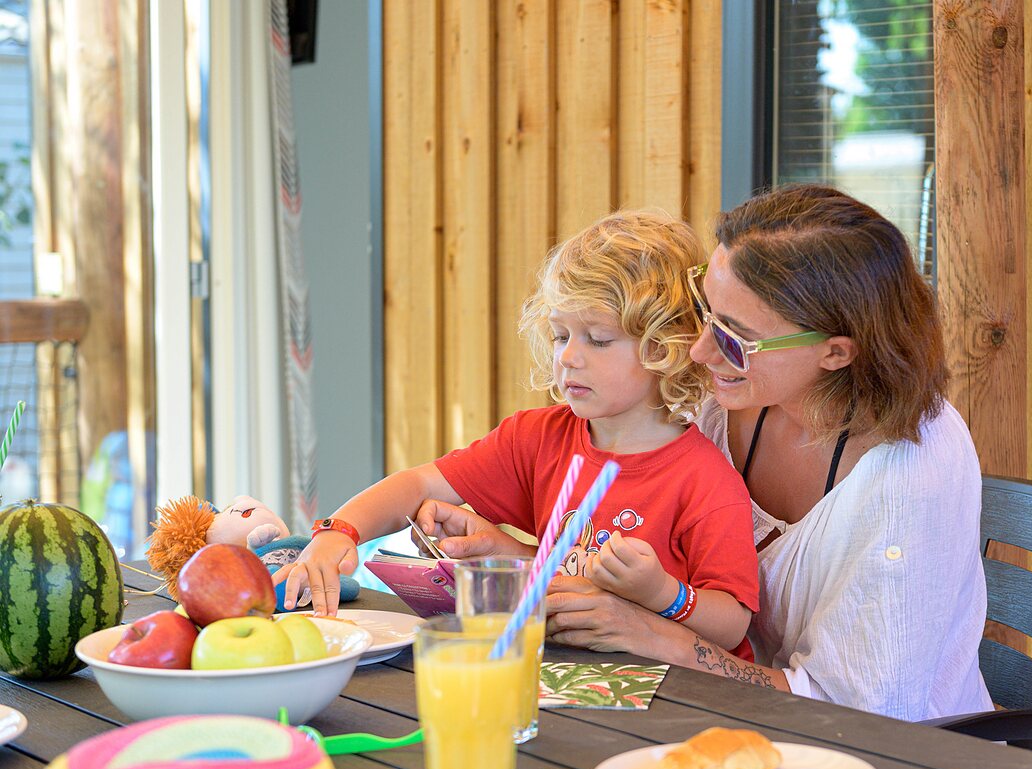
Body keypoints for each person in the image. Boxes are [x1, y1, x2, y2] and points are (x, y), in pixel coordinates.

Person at [443, 185, 993, 721]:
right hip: (710, 712)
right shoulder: (721, 396)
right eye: (707, 313)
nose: (701, 351)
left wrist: (663, 640)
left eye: (734, 336)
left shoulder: (909, 476)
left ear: (835, 353)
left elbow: (866, 717)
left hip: (890, 763)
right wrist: (517, 559)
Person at [276, 210, 760, 660]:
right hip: (555, 676)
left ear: (665, 347)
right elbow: (419, 485)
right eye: (559, 335)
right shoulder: (537, 437)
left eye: (598, 339)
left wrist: (661, 593)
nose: (568, 357)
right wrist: (338, 532)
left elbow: (733, 625)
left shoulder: (705, 480)